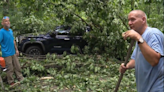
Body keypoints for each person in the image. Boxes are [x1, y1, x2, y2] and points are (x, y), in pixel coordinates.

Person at [119, 10, 164, 92]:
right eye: (128, 20)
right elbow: (136, 59)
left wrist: (138, 38)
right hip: (144, 88)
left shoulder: (153, 34)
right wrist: (127, 66)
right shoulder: (140, 38)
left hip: (157, 88)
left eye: (133, 19)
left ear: (143, 20)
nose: (129, 23)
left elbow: (154, 60)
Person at [0, 16, 24, 88]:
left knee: (17, 66)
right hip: (6, 54)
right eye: (6, 21)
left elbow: (13, 41)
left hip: (13, 52)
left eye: (8, 21)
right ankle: (11, 82)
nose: (8, 22)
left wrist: (16, 50)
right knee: (10, 68)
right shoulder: (1, 32)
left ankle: (20, 78)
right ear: (2, 23)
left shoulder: (10, 31)